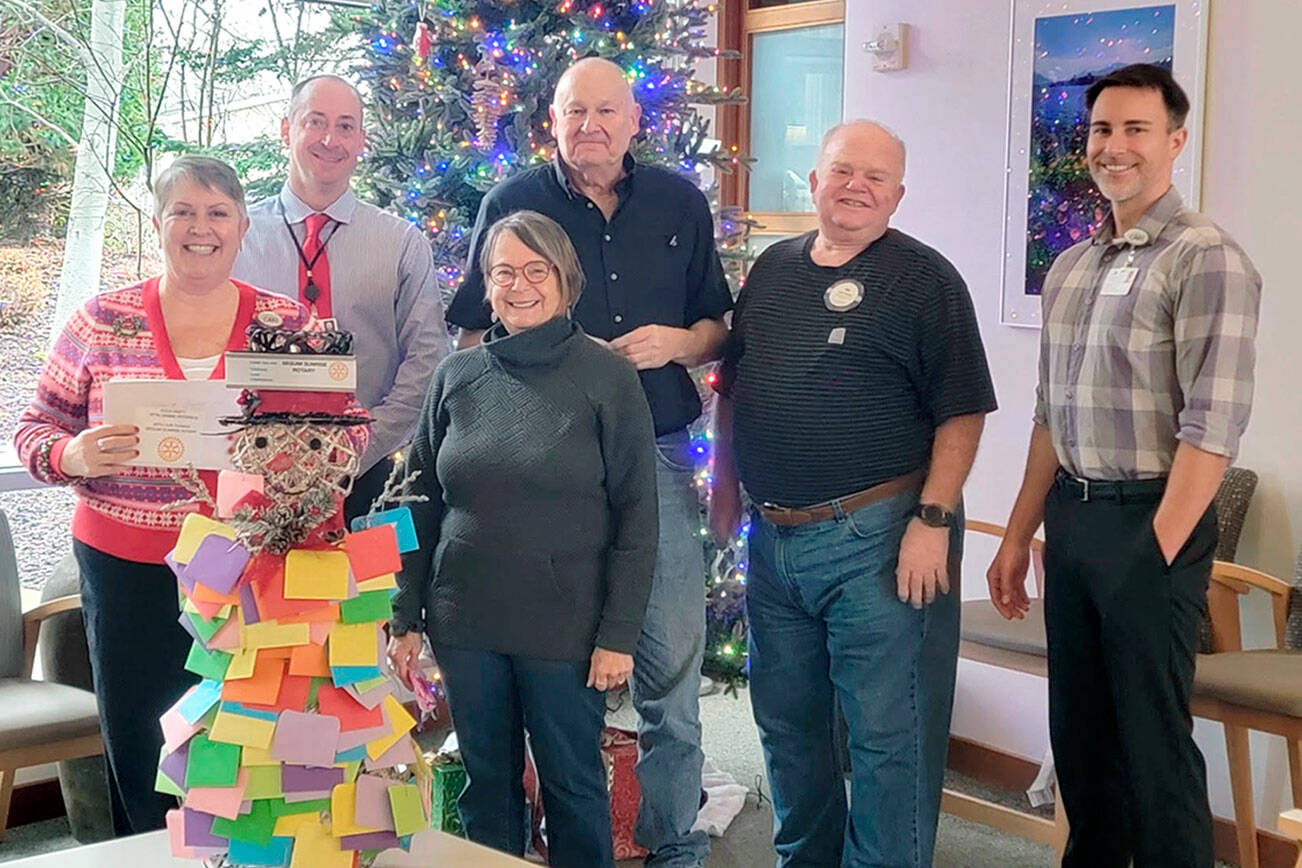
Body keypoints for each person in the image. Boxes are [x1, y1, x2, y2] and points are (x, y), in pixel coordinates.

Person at [445, 56, 731, 867]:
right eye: (575, 112)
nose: (591, 126)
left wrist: (681, 343)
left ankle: (674, 844)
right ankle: (527, 839)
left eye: (607, 111)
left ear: (637, 119)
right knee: (548, 656)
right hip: (548, 467)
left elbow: (718, 325)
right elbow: (476, 325)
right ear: (553, 121)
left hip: (662, 452)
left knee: (670, 666)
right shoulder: (512, 205)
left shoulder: (679, 202)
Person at [986, 64, 1261, 867]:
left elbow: (1213, 427)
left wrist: (1160, 548)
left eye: (1136, 129)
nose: (1115, 146)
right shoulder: (1071, 267)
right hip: (1074, 521)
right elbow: (1050, 417)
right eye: (1103, 130)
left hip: (1152, 522)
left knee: (1152, 751)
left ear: (1175, 141)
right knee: (1081, 742)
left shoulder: (1207, 259)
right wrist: (1017, 537)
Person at [709, 120, 997, 867]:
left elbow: (962, 411)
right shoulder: (772, 269)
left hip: (881, 536)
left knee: (887, 735)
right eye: (842, 171)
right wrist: (726, 489)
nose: (856, 187)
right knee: (787, 727)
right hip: (775, 543)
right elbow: (733, 388)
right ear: (814, 181)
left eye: (875, 177)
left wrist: (933, 519)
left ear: (898, 195)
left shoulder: (928, 281)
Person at [12, 156, 318, 836]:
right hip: (127, 572)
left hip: (249, 571)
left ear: (242, 227)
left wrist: (292, 461)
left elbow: (333, 441)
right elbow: (34, 428)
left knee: (244, 748)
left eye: (216, 214)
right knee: (144, 745)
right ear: (158, 225)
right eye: (183, 212)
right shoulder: (101, 320)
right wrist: (71, 453)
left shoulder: (290, 324)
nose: (199, 228)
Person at [388, 210, 658, 868]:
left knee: (573, 787)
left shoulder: (607, 379)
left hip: (566, 630)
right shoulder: (457, 377)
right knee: (487, 786)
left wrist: (619, 634)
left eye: (536, 270)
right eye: (504, 271)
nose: (520, 285)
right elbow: (418, 499)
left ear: (566, 280)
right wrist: (404, 613)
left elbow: (637, 514)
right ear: (487, 283)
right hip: (466, 620)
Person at [233, 74, 448, 521]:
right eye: (316, 122)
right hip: (253, 472)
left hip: (372, 476)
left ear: (361, 141)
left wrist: (360, 446)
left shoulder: (401, 243)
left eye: (346, 126)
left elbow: (427, 358)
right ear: (286, 129)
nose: (331, 139)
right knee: (252, 593)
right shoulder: (238, 239)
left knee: (367, 593)